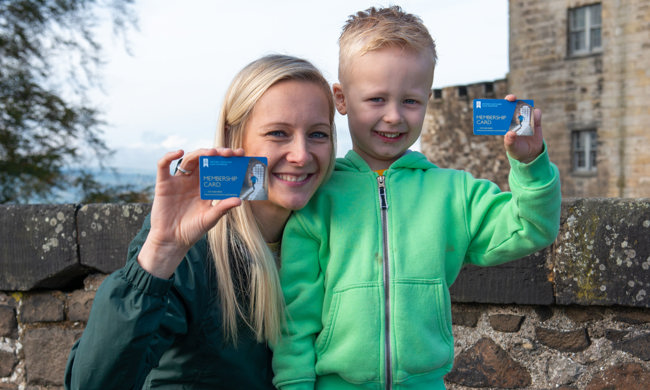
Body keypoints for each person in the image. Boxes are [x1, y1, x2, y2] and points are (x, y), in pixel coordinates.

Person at [271, 6, 561, 390]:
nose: (394, 116)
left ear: (428, 100)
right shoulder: (318, 199)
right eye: (376, 99)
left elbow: (531, 227)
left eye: (410, 101)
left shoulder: (454, 192)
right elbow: (296, 321)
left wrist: (529, 164)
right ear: (340, 99)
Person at [64, 54, 336, 390]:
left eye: (318, 134)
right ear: (236, 139)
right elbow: (93, 384)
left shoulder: (336, 233)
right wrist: (160, 253)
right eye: (279, 133)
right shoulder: (194, 244)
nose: (301, 155)